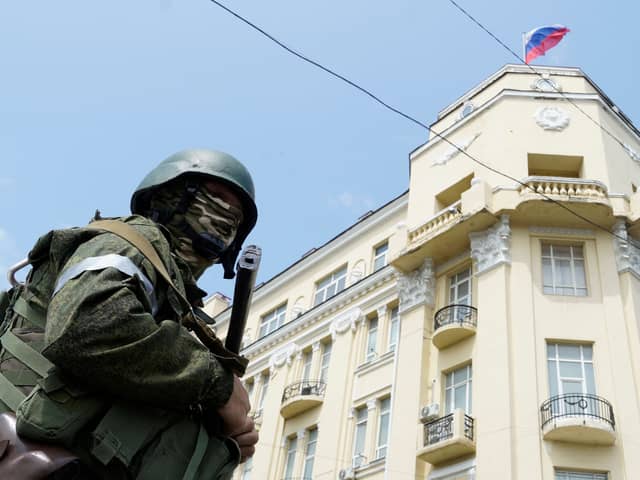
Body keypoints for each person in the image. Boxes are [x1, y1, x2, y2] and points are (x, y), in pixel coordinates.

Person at [0, 148, 259, 479]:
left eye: (235, 217)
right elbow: (91, 326)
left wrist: (222, 432)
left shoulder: (181, 309)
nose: (224, 217)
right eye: (214, 197)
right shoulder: (131, 241)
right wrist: (218, 386)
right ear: (167, 195)